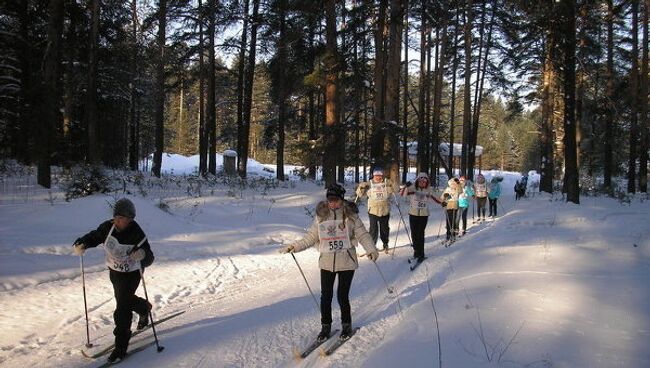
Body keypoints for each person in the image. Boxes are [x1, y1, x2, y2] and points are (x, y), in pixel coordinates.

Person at [280, 184, 379, 342]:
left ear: (341, 199)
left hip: (347, 261)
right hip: (326, 262)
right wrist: (294, 247)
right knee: (325, 296)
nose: (332, 203)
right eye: (329, 200)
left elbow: (363, 234)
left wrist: (371, 249)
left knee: (342, 296)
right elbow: (311, 237)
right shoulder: (321, 216)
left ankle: (346, 325)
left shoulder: (351, 216)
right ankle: (325, 327)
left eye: (335, 200)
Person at [72, 198, 155, 363]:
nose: (118, 221)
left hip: (132, 273)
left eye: (123, 218)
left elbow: (149, 257)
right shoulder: (107, 227)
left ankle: (120, 347)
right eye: (116, 217)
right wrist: (83, 243)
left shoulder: (137, 233)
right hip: (115, 271)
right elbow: (95, 236)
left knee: (122, 306)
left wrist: (142, 255)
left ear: (130, 220)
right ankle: (144, 308)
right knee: (124, 300)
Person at [399, 172, 442, 262]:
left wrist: (443, 202)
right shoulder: (413, 189)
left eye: (424, 181)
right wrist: (405, 186)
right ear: (417, 181)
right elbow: (402, 194)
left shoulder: (429, 191)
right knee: (414, 234)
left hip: (423, 215)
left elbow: (437, 198)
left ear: (427, 182)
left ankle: (421, 253)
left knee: (420, 234)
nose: (422, 183)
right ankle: (416, 251)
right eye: (420, 181)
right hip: (413, 214)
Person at [355, 168, 397, 252]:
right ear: (373, 176)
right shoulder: (369, 184)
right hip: (373, 211)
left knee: (384, 229)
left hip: (385, 210)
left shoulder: (386, 182)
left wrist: (393, 185)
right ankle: (372, 246)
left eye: (379, 175)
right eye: (376, 176)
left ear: (382, 175)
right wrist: (361, 187)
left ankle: (385, 243)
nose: (378, 177)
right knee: (373, 229)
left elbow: (397, 190)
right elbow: (359, 194)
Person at [441, 178, 461, 242]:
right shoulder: (447, 189)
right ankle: (448, 233)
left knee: (453, 219)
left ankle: (453, 233)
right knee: (448, 219)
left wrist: (458, 183)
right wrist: (444, 197)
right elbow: (442, 197)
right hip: (448, 205)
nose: (453, 185)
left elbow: (461, 191)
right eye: (451, 184)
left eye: (454, 184)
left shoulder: (457, 189)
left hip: (455, 205)